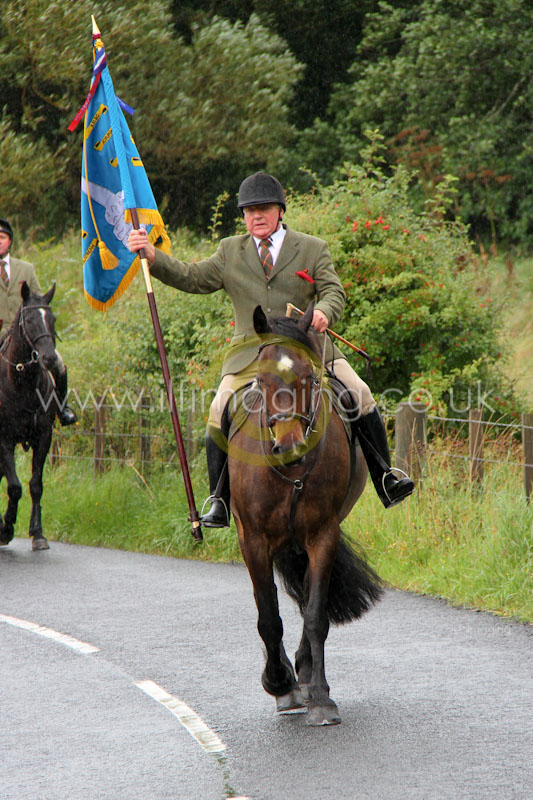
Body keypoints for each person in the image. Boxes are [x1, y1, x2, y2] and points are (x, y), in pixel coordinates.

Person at [128, 172, 414, 526]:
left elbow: (334, 291)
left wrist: (324, 310)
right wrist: (154, 257)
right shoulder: (229, 250)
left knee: (361, 392)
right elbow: (192, 277)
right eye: (249, 211)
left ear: (280, 210)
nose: (256, 216)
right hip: (252, 354)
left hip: (307, 349)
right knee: (219, 407)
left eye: (263, 209)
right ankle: (218, 499)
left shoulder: (311, 248)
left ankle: (385, 478)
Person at [0, 218, 77, 426]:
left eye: (2, 237)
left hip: (26, 334)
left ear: (10, 241)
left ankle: (62, 409)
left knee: (59, 364)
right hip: (0, 336)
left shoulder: (26, 268)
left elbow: (39, 300)